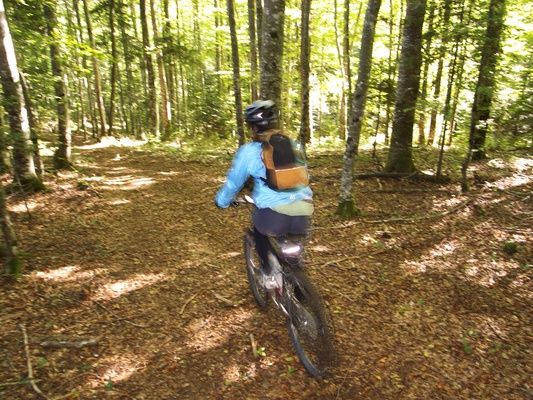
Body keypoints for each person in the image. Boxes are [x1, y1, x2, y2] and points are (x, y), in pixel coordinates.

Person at [215, 100, 313, 275]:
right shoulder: (294, 145)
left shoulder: (249, 151)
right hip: (304, 209)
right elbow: (303, 176)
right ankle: (300, 288)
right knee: (291, 252)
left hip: (273, 214)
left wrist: (222, 201)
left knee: (260, 230)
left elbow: (234, 183)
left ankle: (268, 275)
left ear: (253, 128)